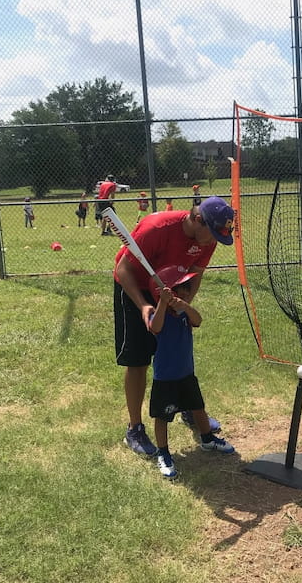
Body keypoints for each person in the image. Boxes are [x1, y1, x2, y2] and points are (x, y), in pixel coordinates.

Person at [114, 195, 235, 456]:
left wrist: (183, 303)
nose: (213, 241)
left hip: (174, 292)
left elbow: (196, 273)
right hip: (135, 287)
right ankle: (135, 428)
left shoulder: (208, 238)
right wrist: (144, 306)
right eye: (212, 233)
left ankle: (189, 409)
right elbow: (123, 269)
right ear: (198, 219)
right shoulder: (156, 228)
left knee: (178, 354)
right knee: (138, 359)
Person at [148, 266, 235, 478]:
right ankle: (163, 453)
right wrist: (162, 302)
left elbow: (198, 320)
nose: (187, 292)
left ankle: (206, 439)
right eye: (181, 289)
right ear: (165, 292)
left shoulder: (184, 313)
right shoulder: (155, 312)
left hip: (186, 373)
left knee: (198, 407)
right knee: (162, 416)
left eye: (187, 288)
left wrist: (184, 305)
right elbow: (156, 327)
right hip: (165, 378)